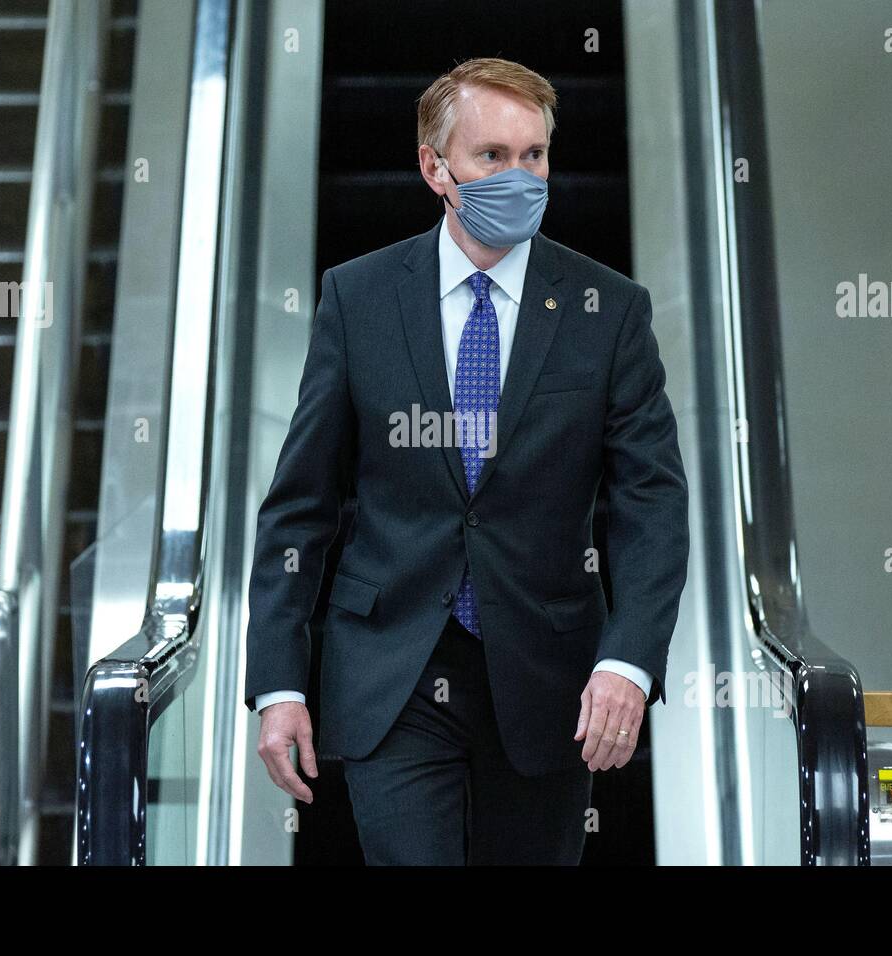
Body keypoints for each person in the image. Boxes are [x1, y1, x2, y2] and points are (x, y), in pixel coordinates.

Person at [243, 57, 689, 865]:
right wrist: (279, 684)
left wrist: (629, 661)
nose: (520, 176)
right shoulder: (360, 296)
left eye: (535, 156)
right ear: (434, 167)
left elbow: (652, 504)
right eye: (492, 157)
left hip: (551, 679)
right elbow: (299, 507)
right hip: (394, 667)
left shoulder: (608, 310)